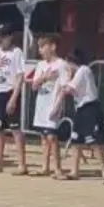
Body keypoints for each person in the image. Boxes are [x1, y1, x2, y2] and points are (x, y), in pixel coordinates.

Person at [55, 48, 104, 184]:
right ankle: (74, 170)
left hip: (90, 108)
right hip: (80, 108)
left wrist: (68, 78)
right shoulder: (79, 73)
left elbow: (69, 89)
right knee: (76, 140)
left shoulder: (83, 70)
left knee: (94, 141)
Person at [0, 24, 27, 175]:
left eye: (3, 37)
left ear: (10, 37)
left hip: (10, 92)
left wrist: (14, 98)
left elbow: (20, 76)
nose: (0, 40)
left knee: (15, 129)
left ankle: (22, 164)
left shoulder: (16, 52)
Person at [30, 33, 69, 177]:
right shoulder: (40, 65)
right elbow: (34, 86)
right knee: (43, 137)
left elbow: (64, 87)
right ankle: (44, 166)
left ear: (52, 47)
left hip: (54, 104)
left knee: (52, 137)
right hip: (41, 104)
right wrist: (44, 78)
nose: (40, 50)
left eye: (42, 46)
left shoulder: (61, 65)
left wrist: (58, 105)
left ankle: (57, 168)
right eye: (39, 47)